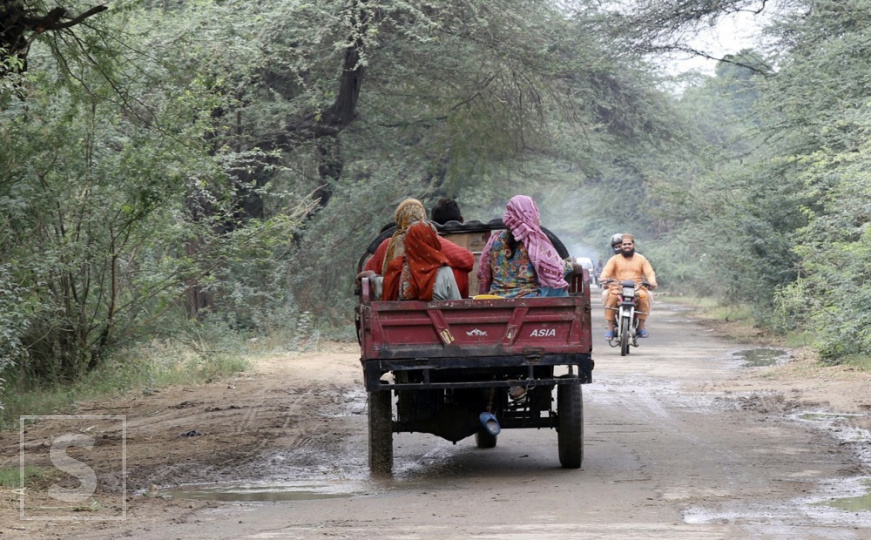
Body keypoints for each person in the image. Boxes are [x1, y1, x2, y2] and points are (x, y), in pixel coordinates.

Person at [358, 198, 474, 299]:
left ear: (398, 219)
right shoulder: (432, 241)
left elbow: (373, 283)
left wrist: (372, 276)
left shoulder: (398, 271)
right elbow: (468, 259)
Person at [477, 195, 580, 298]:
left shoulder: (495, 239)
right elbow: (555, 268)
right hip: (529, 297)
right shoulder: (534, 240)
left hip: (497, 296)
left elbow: (483, 272)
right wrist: (572, 266)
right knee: (559, 287)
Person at [598, 233, 658, 340]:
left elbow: (649, 273)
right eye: (624, 244)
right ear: (621, 246)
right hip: (617, 287)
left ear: (633, 245)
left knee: (645, 297)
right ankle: (610, 329)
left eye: (629, 244)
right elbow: (606, 272)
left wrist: (652, 282)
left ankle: (641, 327)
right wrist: (603, 278)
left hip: (637, 288)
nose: (626, 246)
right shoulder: (614, 259)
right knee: (611, 298)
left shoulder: (641, 259)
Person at [386, 221, 462, 301]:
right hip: (439, 313)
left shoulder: (397, 268)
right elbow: (457, 303)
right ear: (432, 241)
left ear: (408, 242)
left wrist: (373, 276)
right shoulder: (445, 271)